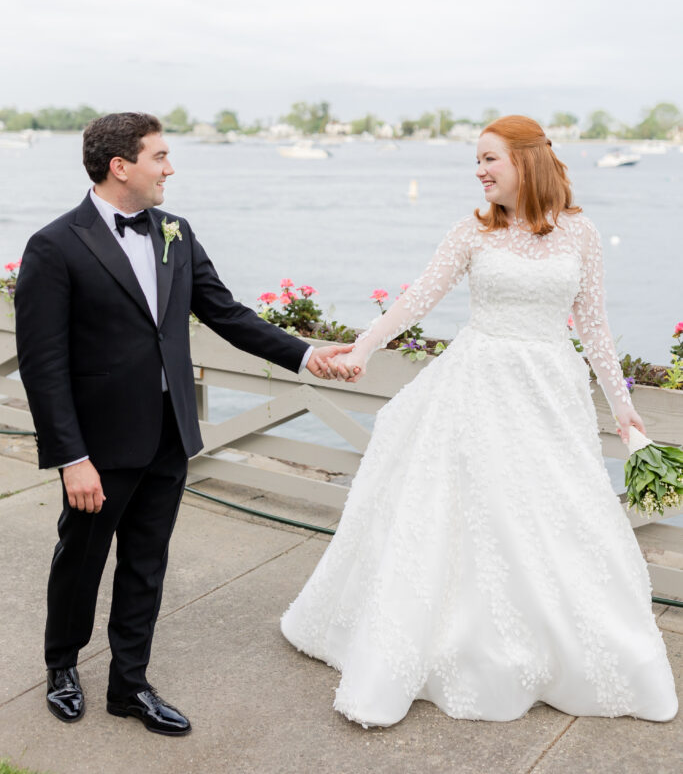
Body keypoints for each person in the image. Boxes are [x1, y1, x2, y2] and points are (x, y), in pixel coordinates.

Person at [281, 114, 678, 726]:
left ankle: (554, 649)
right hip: (476, 383)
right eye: (478, 160)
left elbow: (594, 326)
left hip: (549, 391)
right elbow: (418, 297)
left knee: (553, 514)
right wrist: (362, 348)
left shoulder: (582, 233)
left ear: (526, 161)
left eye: (489, 159)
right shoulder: (474, 230)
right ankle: (463, 646)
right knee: (469, 512)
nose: (479, 171)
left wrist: (623, 408)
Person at [15, 112, 351, 736]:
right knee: (80, 560)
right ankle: (62, 667)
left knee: (147, 562)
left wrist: (307, 355)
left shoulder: (175, 231)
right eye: (160, 157)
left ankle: (129, 686)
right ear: (122, 166)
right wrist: (71, 458)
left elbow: (226, 313)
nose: (171, 168)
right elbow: (43, 366)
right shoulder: (54, 245)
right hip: (98, 446)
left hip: (170, 434)